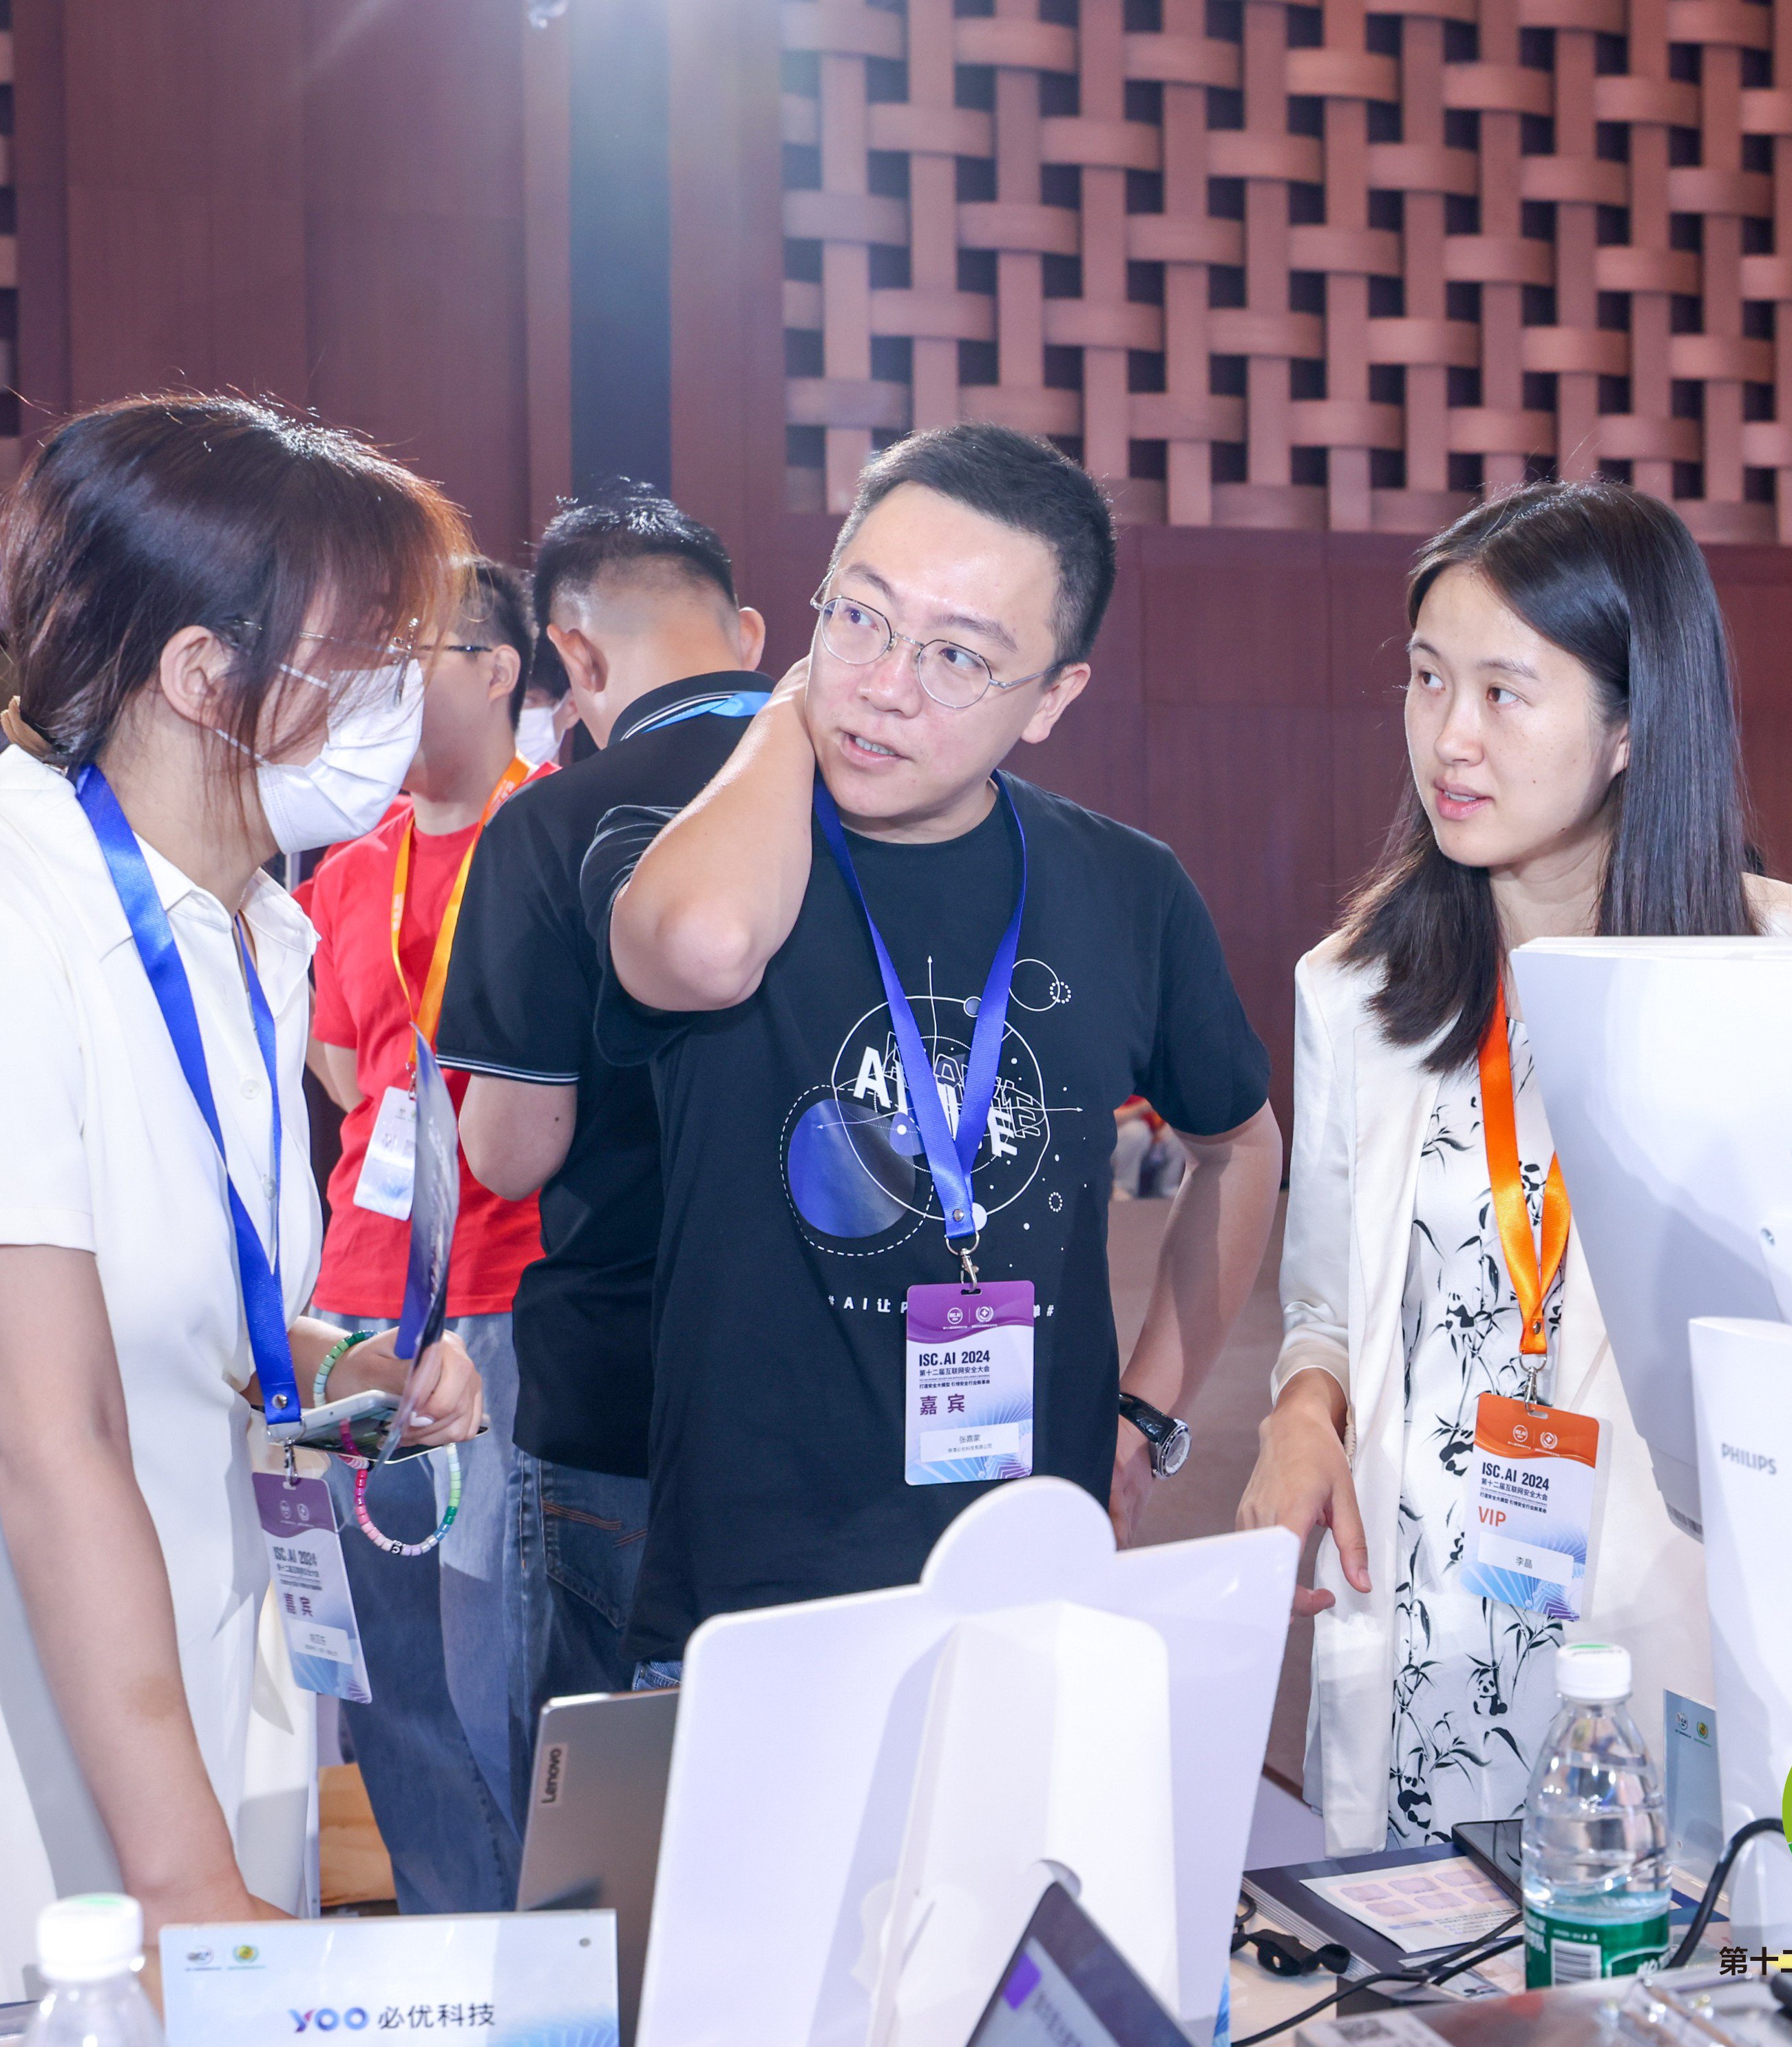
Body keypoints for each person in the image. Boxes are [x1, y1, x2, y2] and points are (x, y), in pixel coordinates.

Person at [0, 395, 488, 2027]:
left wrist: (337, 1366)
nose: (405, 696)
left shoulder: (253, 927)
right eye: (372, 652)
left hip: (198, 1720)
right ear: (203, 672)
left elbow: (177, 1307)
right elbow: (49, 1431)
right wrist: (182, 1882)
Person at [1232, 480, 1792, 1856]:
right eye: (1426, 679)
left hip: (1674, 1627)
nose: (1449, 738)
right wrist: (1298, 1408)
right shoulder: (1357, 990)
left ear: (1632, 725)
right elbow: (1327, 1302)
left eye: (1504, 692)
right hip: (1425, 1630)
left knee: (1670, 1943)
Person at [602, 422, 1285, 1683]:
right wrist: (792, 710)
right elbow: (702, 947)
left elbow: (1240, 1147)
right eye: (861, 616)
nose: (887, 685)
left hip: (1028, 1595)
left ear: (1055, 697)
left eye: (959, 656)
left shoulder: (1127, 889)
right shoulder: (711, 847)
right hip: (750, 1612)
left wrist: (1147, 1409)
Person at [436, 490, 769, 1764]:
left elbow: (509, 1151)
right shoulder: (866, 797)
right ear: (746, 631)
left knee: (610, 1808)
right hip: (852, 1393)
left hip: (626, 1382)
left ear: (571, 654)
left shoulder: (551, 822)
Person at [291, 556, 545, 1911]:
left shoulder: (554, 835)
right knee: (381, 1667)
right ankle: (451, 1938)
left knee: (490, 1654)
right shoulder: (348, 869)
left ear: (498, 668)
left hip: (502, 1300)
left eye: (411, 654)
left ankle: (540, 1955)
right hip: (354, 1316)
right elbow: (344, 1069)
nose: (377, 685)